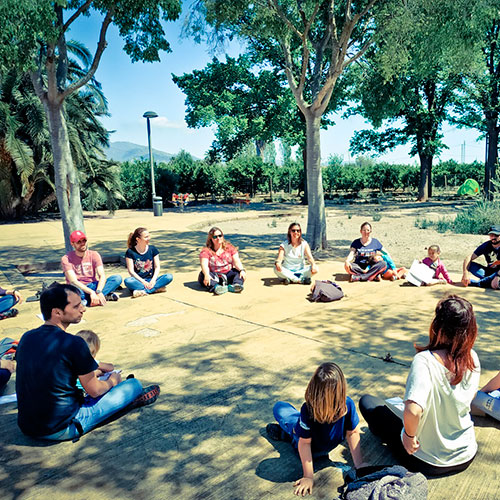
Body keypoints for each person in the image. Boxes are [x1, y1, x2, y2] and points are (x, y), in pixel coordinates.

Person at [15, 284, 160, 441]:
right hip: (62, 427)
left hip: (27, 426)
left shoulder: (27, 337)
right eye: (76, 306)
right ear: (57, 312)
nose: (83, 309)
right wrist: (112, 381)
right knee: (134, 385)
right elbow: (95, 390)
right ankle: (127, 402)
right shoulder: (74, 343)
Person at [359, 295, 480, 476]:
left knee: (368, 403)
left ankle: (388, 434)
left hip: (428, 460)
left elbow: (414, 411)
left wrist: (408, 436)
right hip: (466, 453)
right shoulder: (472, 358)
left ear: (437, 326)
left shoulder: (425, 361)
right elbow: (468, 398)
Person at [266, 362, 365, 496]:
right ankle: (292, 431)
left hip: (310, 445)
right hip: (317, 442)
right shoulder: (347, 403)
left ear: (313, 388)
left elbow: (304, 443)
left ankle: (288, 434)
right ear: (341, 388)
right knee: (297, 426)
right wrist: (359, 465)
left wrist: (308, 477)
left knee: (279, 407)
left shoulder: (308, 409)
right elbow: (352, 433)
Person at [61, 230, 122, 306]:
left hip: (93, 285)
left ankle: (91, 299)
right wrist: (91, 292)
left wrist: (98, 291)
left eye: (84, 241)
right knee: (71, 292)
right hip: (79, 287)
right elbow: (73, 281)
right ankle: (102, 297)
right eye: (79, 242)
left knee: (116, 278)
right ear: (72, 244)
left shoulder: (94, 254)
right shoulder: (66, 258)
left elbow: (102, 275)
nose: (82, 244)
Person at [124, 227, 173, 298]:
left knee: (169, 277)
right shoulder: (130, 252)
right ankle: (155, 288)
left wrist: (153, 280)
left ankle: (143, 291)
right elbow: (131, 271)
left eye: (149, 236)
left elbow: (157, 267)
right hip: (138, 281)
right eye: (146, 237)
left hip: (152, 279)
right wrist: (143, 282)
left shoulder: (153, 249)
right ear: (138, 239)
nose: (149, 238)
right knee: (128, 281)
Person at [198, 227, 246, 295]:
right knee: (203, 275)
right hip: (214, 275)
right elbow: (204, 265)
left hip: (228, 274)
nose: (218, 238)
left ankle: (236, 286)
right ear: (211, 239)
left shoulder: (229, 248)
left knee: (238, 272)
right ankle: (216, 287)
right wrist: (206, 275)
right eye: (215, 237)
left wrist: (242, 270)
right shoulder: (206, 251)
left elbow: (236, 261)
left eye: (220, 236)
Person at [461, 225, 500, 289]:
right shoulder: (486, 245)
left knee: (494, 284)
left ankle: (477, 282)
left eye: (496, 235)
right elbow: (469, 257)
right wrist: (465, 274)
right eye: (491, 235)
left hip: (499, 273)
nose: (493, 237)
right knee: (470, 265)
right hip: (488, 272)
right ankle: (488, 281)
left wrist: (497, 276)